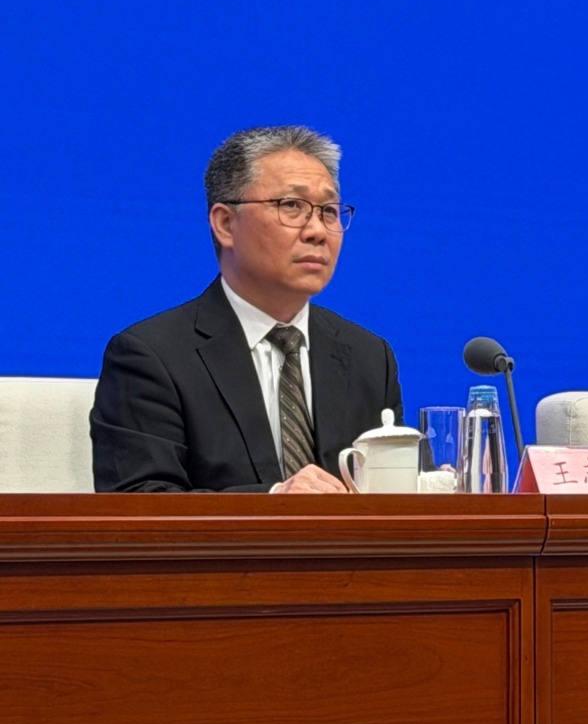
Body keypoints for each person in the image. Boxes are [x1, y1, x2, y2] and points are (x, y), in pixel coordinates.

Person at [91, 126, 402, 493]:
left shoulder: (369, 357)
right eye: (292, 206)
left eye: (329, 211)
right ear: (225, 224)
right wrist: (276, 501)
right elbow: (140, 503)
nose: (318, 231)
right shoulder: (150, 357)